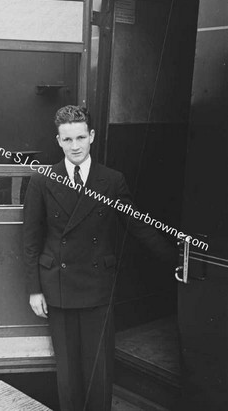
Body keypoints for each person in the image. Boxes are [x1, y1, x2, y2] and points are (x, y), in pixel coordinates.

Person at [23, 105, 176, 411]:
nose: (75, 146)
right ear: (58, 141)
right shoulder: (42, 180)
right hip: (58, 286)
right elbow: (30, 238)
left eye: (81, 137)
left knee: (99, 369)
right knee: (67, 372)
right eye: (68, 140)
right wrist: (34, 288)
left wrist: (176, 258)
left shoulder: (112, 180)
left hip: (97, 288)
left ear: (91, 136)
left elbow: (137, 226)